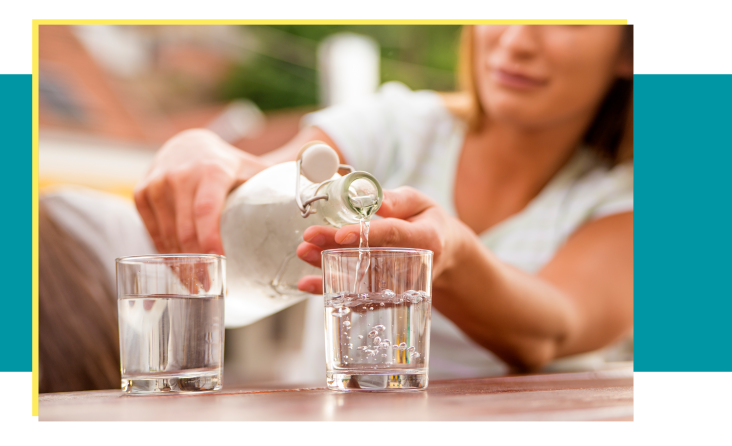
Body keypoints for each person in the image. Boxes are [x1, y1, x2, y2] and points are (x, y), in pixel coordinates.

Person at [133, 25, 634, 376]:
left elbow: (550, 332)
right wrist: (203, 154)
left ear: (630, 53)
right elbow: (280, 177)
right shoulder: (396, 124)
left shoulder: (623, 196)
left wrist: (454, 255)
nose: (517, 39)